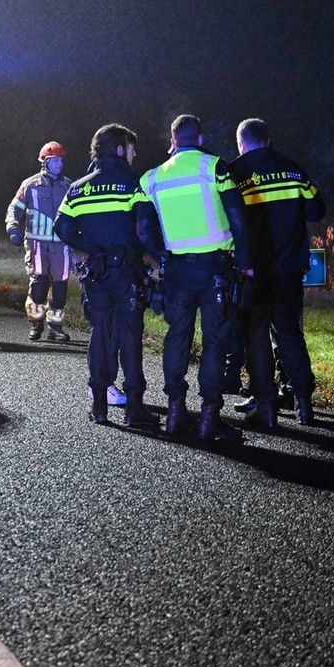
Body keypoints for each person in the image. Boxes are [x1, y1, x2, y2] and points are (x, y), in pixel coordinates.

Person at [140, 114, 253, 440]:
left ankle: (175, 412)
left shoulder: (152, 178)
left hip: (176, 270)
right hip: (215, 269)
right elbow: (238, 218)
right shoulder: (215, 168)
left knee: (177, 336)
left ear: (172, 141)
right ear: (199, 139)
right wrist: (245, 261)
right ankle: (208, 417)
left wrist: (163, 257)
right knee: (215, 341)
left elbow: (144, 230)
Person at [54, 124, 164, 427]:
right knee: (129, 336)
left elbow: (61, 228)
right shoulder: (133, 183)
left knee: (99, 336)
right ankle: (134, 410)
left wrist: (91, 248)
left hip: (96, 275)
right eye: (130, 147)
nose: (134, 153)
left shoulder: (78, 187)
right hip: (127, 273)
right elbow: (144, 231)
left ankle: (99, 407)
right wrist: (162, 257)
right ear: (119, 149)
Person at [228, 118, 326, 427]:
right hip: (289, 267)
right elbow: (316, 211)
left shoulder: (234, 174)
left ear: (241, 143)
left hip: (253, 270)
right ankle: (303, 402)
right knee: (288, 332)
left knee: (255, 335)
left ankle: (264, 399)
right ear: (268, 140)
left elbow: (226, 220)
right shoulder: (293, 169)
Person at [6, 141, 74, 342]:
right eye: (54, 161)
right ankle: (36, 323)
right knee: (39, 285)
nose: (58, 164)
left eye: (60, 160)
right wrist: (12, 228)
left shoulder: (68, 186)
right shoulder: (30, 185)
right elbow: (14, 208)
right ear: (44, 162)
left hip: (61, 245)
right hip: (36, 244)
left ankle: (56, 326)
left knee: (60, 286)